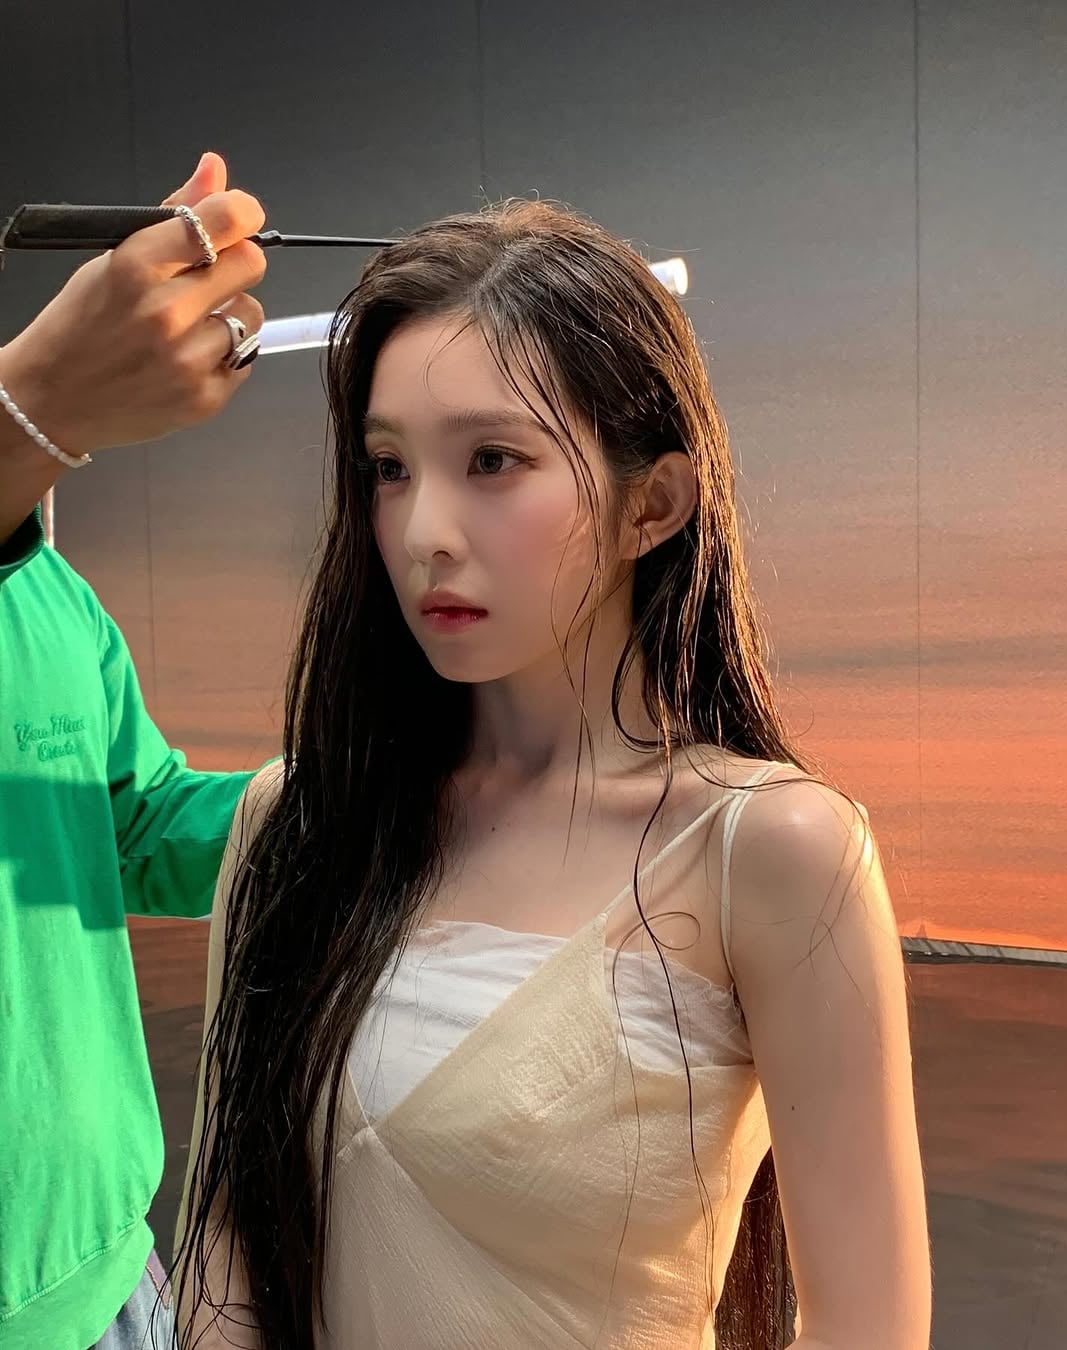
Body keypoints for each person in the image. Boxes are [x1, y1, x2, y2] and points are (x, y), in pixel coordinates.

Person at [175, 199, 932, 1350]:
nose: (423, 531)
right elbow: (225, 1250)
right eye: (389, 467)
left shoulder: (768, 851)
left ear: (653, 504)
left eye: (493, 461)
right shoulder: (298, 821)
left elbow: (866, 1326)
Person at [0, 152, 271, 1350]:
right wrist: (32, 407)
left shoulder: (52, 595)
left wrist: (337, 796)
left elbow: (132, 826)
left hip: (115, 1271)